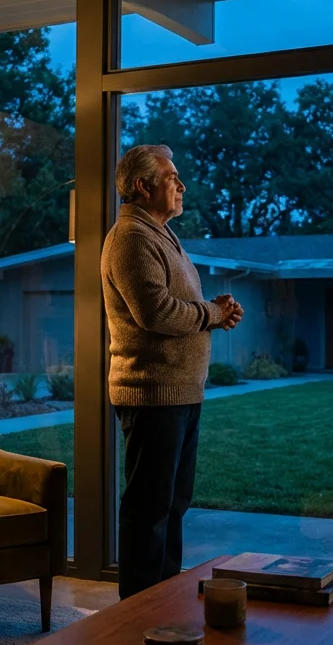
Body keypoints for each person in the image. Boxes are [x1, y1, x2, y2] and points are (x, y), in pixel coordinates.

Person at [102, 144, 243, 599]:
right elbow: (156, 313)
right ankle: (136, 616)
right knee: (150, 509)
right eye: (171, 177)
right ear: (143, 186)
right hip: (151, 392)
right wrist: (211, 314)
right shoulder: (131, 238)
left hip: (180, 392)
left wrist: (215, 312)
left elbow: (180, 308)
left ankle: (163, 606)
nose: (182, 186)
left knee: (173, 504)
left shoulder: (161, 234)